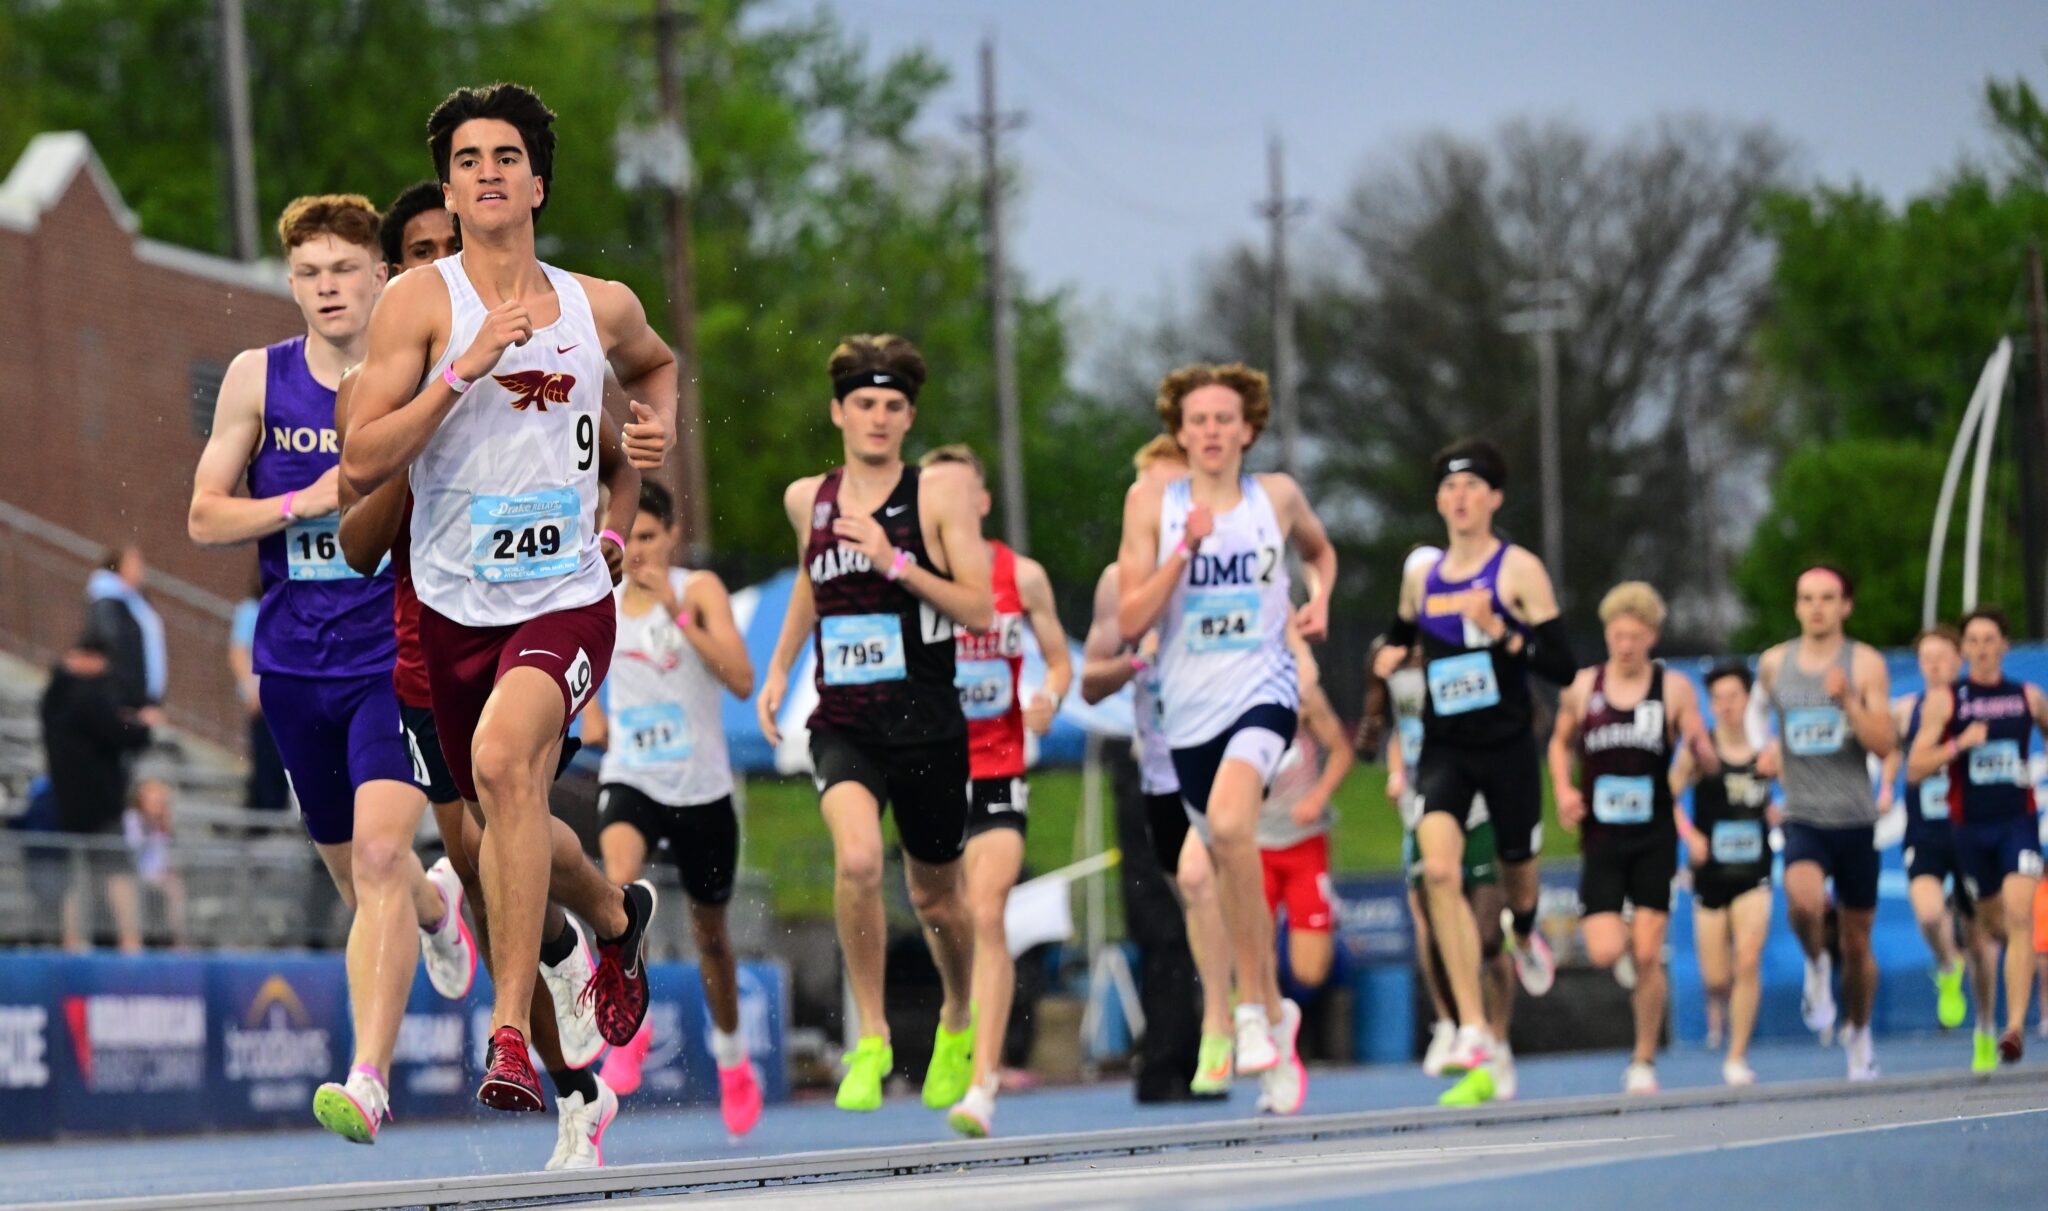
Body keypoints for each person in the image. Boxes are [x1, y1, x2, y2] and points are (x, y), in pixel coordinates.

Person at [342, 83, 679, 1113]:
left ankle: (508, 1032)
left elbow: (657, 368)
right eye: (469, 158)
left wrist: (655, 434)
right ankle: (614, 920)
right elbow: (361, 458)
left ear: (536, 181)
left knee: (501, 764)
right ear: (448, 183)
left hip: (566, 594)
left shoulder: (597, 304)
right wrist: (461, 369)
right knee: (489, 829)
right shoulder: (415, 304)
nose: (488, 171)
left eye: (507, 156)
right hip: (450, 605)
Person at [335, 190, 617, 1167]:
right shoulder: (395, 380)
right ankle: (597, 928)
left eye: (441, 252)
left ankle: (564, 1071)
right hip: (429, 659)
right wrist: (424, 440)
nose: (435, 272)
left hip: (532, 627)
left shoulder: (547, 341)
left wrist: (608, 533)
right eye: (414, 259)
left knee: (511, 805)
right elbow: (356, 537)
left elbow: (617, 448)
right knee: (506, 865)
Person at [188, 193, 477, 1142]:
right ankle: (441, 909)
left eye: (344, 270)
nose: (327, 288)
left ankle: (367, 1077)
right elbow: (204, 516)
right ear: (291, 283)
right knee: (370, 887)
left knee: (385, 856)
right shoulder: (256, 379)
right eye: (309, 273)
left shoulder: (417, 375)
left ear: (380, 275)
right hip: (292, 665)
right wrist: (305, 503)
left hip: (388, 656)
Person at [755, 334, 990, 1114]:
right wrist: (782, 667)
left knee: (937, 900)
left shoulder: (939, 494)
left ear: (910, 416)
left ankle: (958, 1013)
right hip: (844, 718)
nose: (878, 418)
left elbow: (978, 607)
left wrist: (895, 561)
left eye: (893, 406)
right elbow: (809, 584)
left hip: (926, 721)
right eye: (865, 404)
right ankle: (873, 1034)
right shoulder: (807, 498)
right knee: (856, 860)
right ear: (838, 412)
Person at [1117, 362, 1335, 1117]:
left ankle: (1248, 1005)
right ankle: (1273, 1013)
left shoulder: (1276, 497)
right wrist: (1184, 553)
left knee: (1237, 825)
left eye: (1225, 418)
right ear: (1180, 432)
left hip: (1265, 690)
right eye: (1198, 420)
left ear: (1248, 428)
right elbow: (1129, 621)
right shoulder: (1152, 502)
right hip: (1190, 714)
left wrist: (1321, 602)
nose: (1211, 431)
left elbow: (1321, 550)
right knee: (1224, 853)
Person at [1372, 440, 1576, 1103]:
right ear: (1440, 501)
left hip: (1509, 743)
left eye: (1473, 487)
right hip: (1445, 746)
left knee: (1518, 873)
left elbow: (1563, 665)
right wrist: (1389, 655)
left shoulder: (1518, 570)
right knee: (1437, 871)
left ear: (1494, 498)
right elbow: (1401, 632)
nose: (1460, 498)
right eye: (1450, 489)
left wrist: (1505, 630)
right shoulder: (1422, 574)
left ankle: (1524, 926)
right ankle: (1470, 1026)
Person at [584, 481, 762, 1135]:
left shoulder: (700, 590)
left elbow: (742, 680)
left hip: (702, 787)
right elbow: (584, 672)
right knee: (618, 889)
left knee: (710, 936)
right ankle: (631, 1024)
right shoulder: (598, 597)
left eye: (650, 537)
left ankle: (733, 1056)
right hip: (632, 776)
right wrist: (595, 711)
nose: (638, 552)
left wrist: (679, 614)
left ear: (672, 536)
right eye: (626, 538)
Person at [912, 443, 1072, 1137]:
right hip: (931, 769)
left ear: (980, 501)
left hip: (1000, 766)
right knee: (941, 909)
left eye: (958, 490)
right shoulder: (910, 578)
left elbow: (1061, 659)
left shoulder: (1022, 575)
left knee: (989, 908)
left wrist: (1049, 693)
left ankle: (983, 1083)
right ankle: (957, 1010)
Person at [1081, 435, 1233, 1103]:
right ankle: (1168, 1055)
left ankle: (1231, 1032)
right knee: (1162, 918)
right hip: (1153, 767)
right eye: (1136, 495)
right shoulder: (1121, 581)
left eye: (1162, 493)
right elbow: (1089, 682)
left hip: (1223, 761)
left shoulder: (1231, 561)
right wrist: (1135, 662)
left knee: (1221, 905)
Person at [1551, 583, 1713, 1094]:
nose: (1625, 645)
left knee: (1647, 954)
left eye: (1635, 636)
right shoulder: (1583, 687)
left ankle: (1643, 1057)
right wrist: (1563, 791)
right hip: (1601, 836)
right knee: (1604, 952)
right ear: (1606, 635)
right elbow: (1558, 744)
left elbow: (1699, 749)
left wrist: (1699, 751)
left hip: (1653, 834)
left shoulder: (1673, 687)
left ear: (1651, 637)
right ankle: (1622, 936)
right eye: (1617, 635)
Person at [1756, 565, 1892, 1080]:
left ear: (1845, 606)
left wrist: (1848, 702)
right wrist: (1768, 751)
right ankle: (1816, 963)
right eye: (1807, 598)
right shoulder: (1774, 664)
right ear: (1796, 606)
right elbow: (1757, 717)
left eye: (1828, 598)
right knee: (1803, 900)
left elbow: (1883, 743)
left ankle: (1859, 1035)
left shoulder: (1866, 664)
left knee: (1858, 945)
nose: (1817, 607)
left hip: (1854, 818)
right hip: (1803, 814)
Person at [1907, 605, 2046, 1068]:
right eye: (1975, 641)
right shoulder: (1949, 701)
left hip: (2018, 824)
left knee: (2021, 915)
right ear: (1964, 649)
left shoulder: (2028, 697)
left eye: (1991, 640)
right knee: (1992, 926)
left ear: (2005, 646)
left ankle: (2013, 1028)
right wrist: (1959, 745)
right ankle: (2003, 991)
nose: (1983, 649)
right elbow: (1915, 766)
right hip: (1970, 832)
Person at [1672, 663, 1777, 1086]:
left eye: (1734, 697)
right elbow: (1668, 794)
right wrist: (1689, 833)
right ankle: (1722, 1010)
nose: (1727, 706)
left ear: (1748, 699)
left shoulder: (1767, 749)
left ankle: (1737, 1055)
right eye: (1718, 699)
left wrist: (1778, 809)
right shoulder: (1701, 750)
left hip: (1754, 873)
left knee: (1748, 958)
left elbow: (1801, 788)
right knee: (1717, 978)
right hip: (1711, 876)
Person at [42, 634, 156, 953]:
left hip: (65, 804)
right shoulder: (87, 695)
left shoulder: (56, 693)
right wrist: (142, 725)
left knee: (76, 880)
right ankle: (130, 944)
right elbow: (121, 734)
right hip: (99, 805)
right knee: (118, 875)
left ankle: (72, 944)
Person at [1886, 627, 1974, 1034]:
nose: (1934, 665)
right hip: (1926, 832)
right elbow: (1887, 748)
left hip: (1973, 829)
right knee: (1928, 913)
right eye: (1926, 658)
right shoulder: (1907, 708)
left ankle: (1988, 1025)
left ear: (1960, 659)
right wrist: (1886, 785)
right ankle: (1947, 965)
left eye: (1942, 656)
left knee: (1985, 930)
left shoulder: (1978, 707)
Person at [1257, 638, 1352, 996]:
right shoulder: (1228, 695)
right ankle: (1264, 1029)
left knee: (1310, 971)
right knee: (1253, 955)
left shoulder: (1304, 694)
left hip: (1303, 838)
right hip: (1253, 842)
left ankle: (1282, 1018)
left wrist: (1318, 796)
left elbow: (1342, 750)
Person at [230, 565, 290, 811]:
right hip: (264, 700)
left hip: (284, 699)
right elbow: (237, 651)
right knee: (267, 758)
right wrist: (251, 689)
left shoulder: (284, 610)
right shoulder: (250, 610)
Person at [85, 546, 165, 716]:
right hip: (121, 701)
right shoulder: (109, 602)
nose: (140, 569)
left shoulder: (136, 601)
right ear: (119, 567)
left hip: (136, 701)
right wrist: (132, 698)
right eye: (134, 563)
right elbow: (118, 646)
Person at [123, 778, 189, 950]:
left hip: (153, 879)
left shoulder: (160, 828)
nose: (160, 806)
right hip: (130, 876)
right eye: (155, 801)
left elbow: (161, 861)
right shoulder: (131, 820)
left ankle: (177, 942)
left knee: (175, 885)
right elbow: (131, 852)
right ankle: (132, 942)